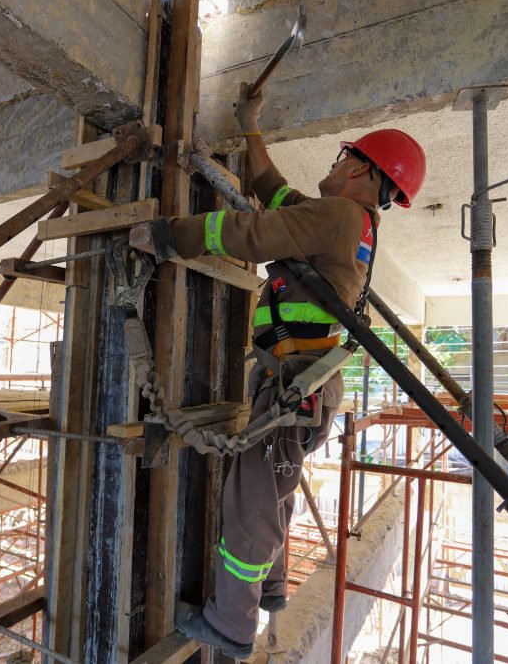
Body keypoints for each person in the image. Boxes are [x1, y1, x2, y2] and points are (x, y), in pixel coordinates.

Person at [150, 83, 428, 658]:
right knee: (271, 492)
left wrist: (167, 236)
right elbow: (271, 193)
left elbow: (250, 235)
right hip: (300, 386)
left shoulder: (338, 217)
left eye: (342, 155)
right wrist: (250, 125)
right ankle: (270, 589)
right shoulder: (341, 221)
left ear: (362, 169)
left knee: (251, 505)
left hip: (291, 387)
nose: (334, 160)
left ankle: (231, 623)